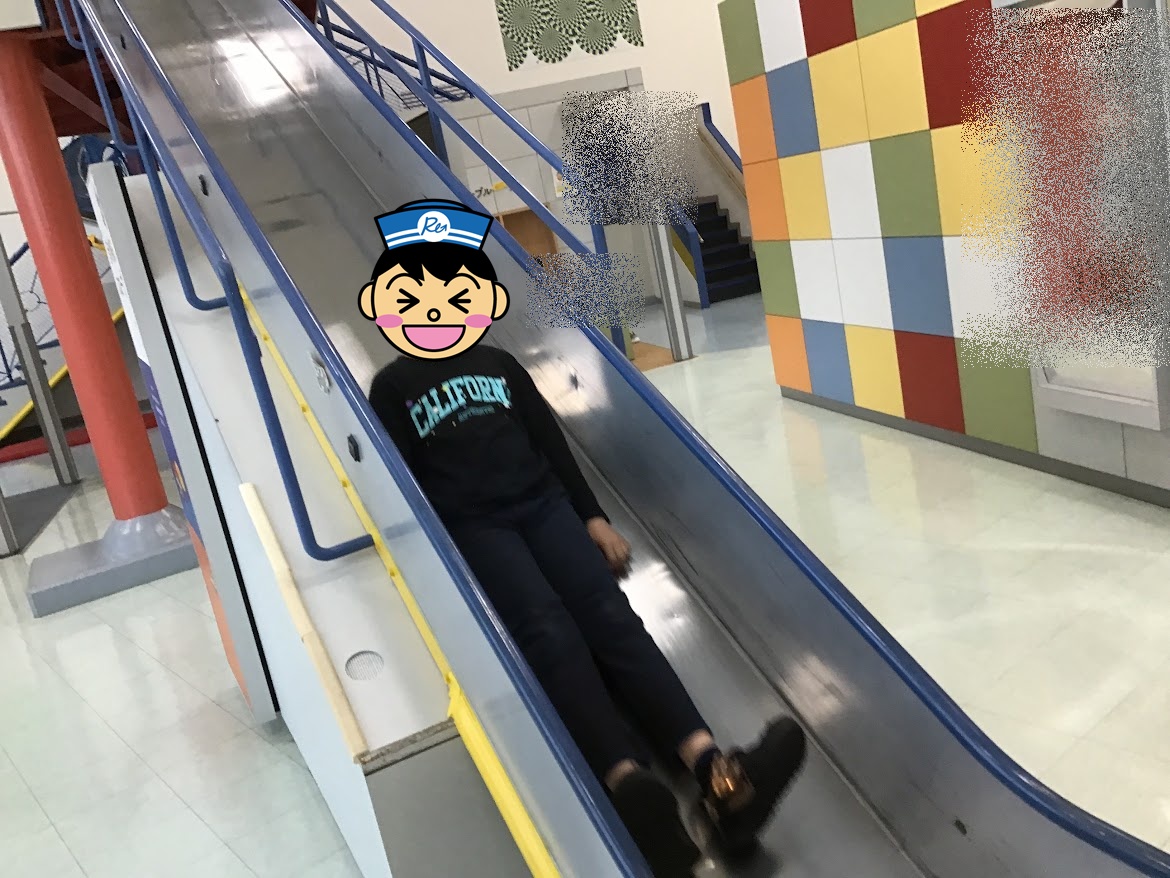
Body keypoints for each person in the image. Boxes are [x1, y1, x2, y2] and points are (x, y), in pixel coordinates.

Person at [361, 199, 806, 877]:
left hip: (544, 507)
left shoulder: (501, 366)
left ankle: (718, 776)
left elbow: (551, 445)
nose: (437, 310)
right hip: (476, 527)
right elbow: (401, 478)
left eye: (456, 295)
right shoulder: (393, 386)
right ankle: (628, 785)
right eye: (414, 298)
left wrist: (592, 517)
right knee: (549, 632)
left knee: (612, 620)